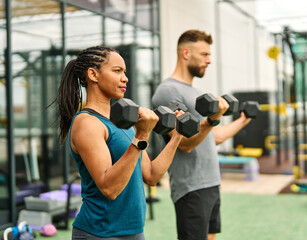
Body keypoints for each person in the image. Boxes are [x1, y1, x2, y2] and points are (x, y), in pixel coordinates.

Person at [55, 46, 184, 240]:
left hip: (133, 231)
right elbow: (109, 189)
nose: (125, 78)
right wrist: (142, 134)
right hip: (100, 232)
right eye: (117, 71)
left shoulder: (122, 123)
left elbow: (151, 175)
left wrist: (177, 137)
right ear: (93, 74)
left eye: (124, 72)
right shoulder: (87, 123)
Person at [151, 29, 252, 240]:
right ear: (186, 53)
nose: (209, 60)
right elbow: (185, 143)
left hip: (210, 181)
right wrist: (212, 119)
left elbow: (212, 137)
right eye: (204, 54)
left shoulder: (195, 92)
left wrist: (243, 119)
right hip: (191, 186)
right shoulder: (167, 91)